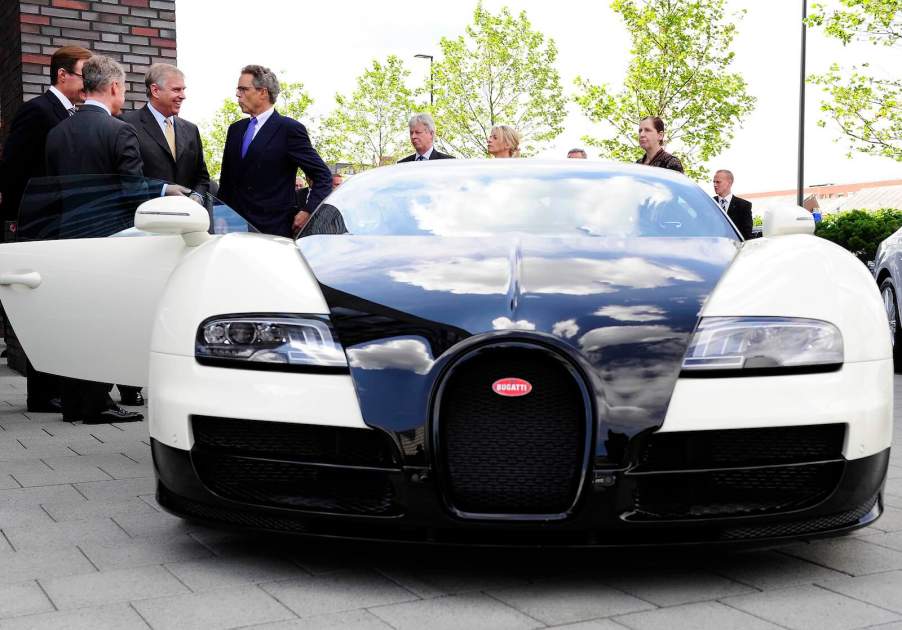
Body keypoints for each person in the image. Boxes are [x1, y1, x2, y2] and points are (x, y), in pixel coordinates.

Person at [44, 55, 144, 424]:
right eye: (125, 88)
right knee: (106, 323)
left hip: (67, 241)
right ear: (114, 86)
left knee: (76, 324)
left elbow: (54, 193)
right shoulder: (120, 132)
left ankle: (74, 403)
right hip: (110, 242)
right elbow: (134, 194)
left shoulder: (57, 133)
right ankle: (98, 403)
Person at [0, 45, 91, 414]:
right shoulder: (37, 111)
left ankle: (55, 389)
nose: (89, 83)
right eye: (85, 74)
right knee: (45, 311)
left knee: (59, 309)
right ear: (62, 75)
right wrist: (21, 218)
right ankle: (42, 394)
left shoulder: (70, 113)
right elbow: (13, 169)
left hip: (62, 225)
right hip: (40, 226)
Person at [218, 65, 332, 238]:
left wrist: (309, 211)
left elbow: (322, 175)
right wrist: (219, 215)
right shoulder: (235, 130)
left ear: (263, 92)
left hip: (273, 231)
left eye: (243, 89)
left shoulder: (289, 130)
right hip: (233, 230)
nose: (237, 94)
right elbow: (226, 181)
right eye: (238, 89)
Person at [121, 63, 211, 195]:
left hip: (186, 208)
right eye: (176, 90)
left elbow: (202, 178)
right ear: (155, 91)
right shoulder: (127, 125)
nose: (183, 96)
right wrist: (163, 190)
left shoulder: (191, 130)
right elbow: (127, 179)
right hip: (147, 207)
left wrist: (197, 196)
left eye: (183, 89)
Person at [712, 169, 753, 240]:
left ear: (729, 183)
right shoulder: (709, 203)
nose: (715, 185)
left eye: (718, 182)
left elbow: (747, 234)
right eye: (714, 182)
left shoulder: (744, 206)